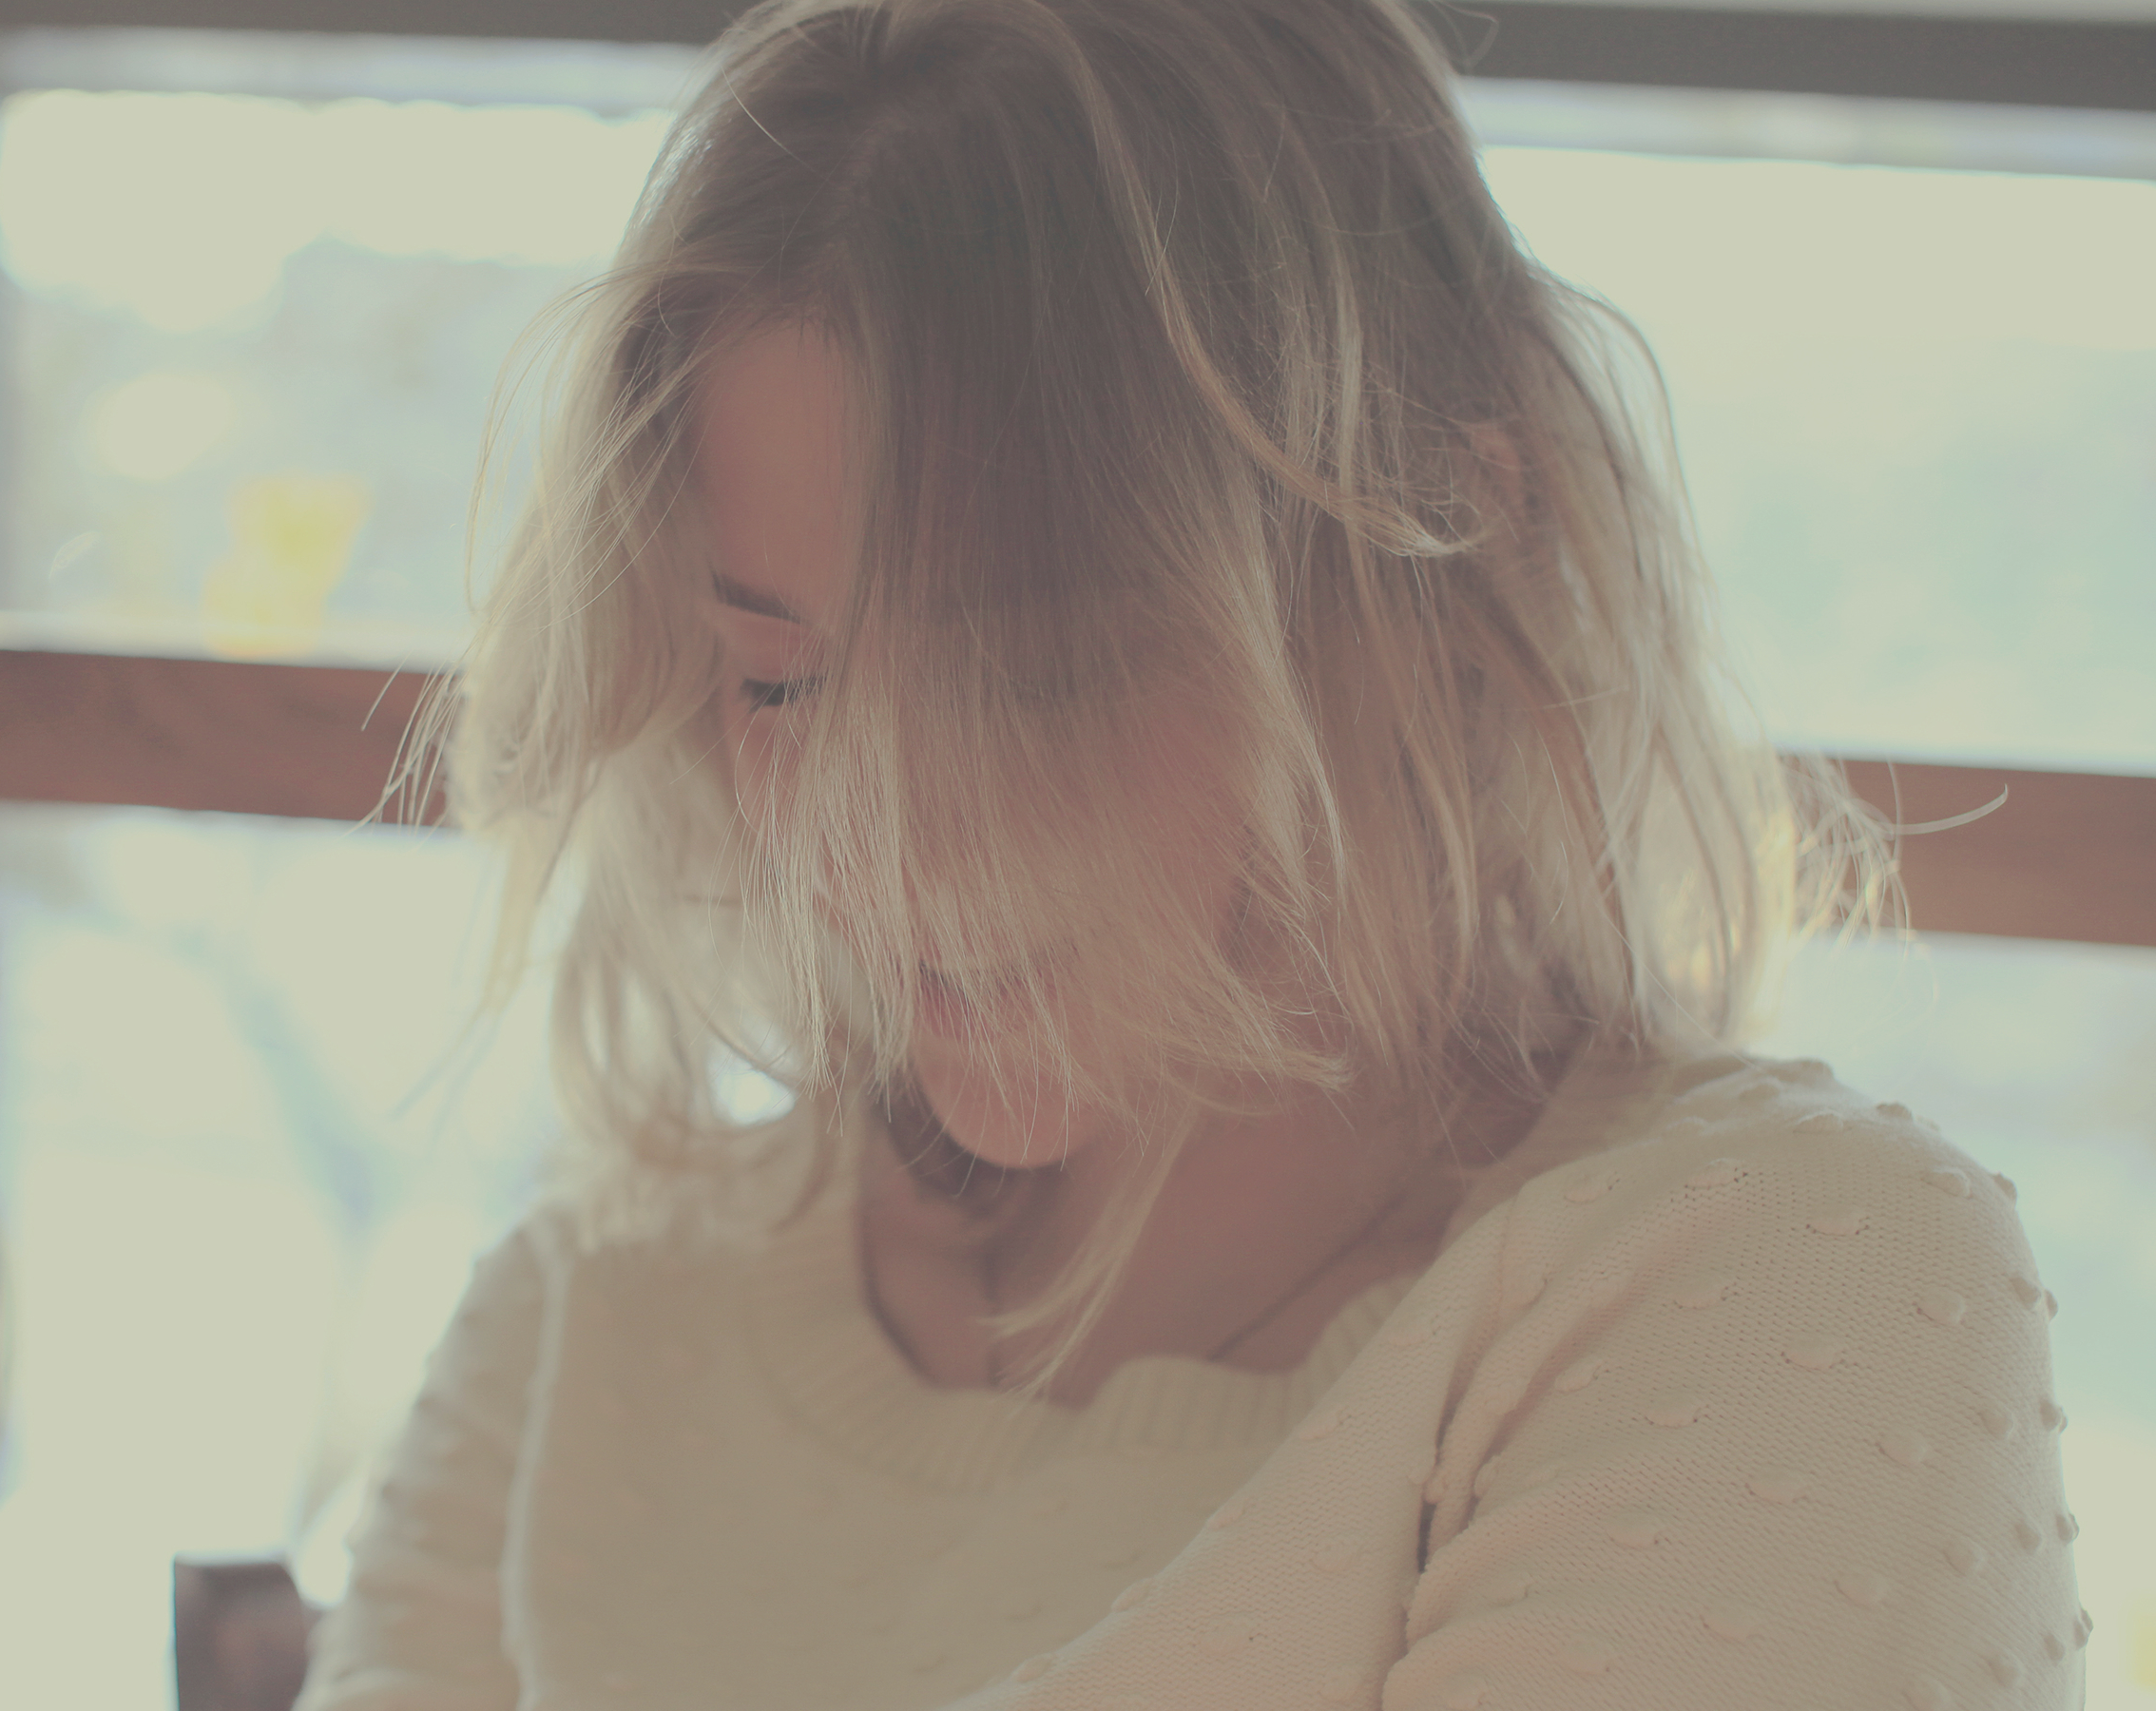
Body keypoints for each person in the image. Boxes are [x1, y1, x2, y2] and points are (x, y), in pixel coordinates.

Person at [298, 0, 2085, 1703]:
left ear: (1449, 538)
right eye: (778, 682)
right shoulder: (602, 1304)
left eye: (1027, 679)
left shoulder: (1775, 1286)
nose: (880, 850)